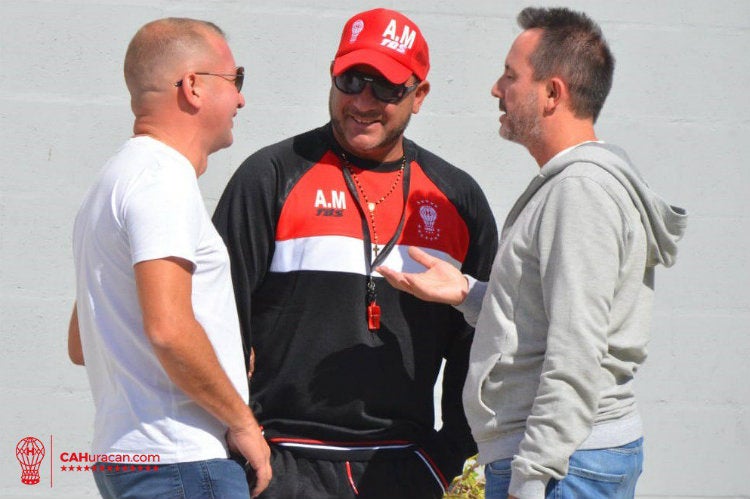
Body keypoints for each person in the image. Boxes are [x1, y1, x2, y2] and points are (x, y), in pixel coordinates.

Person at [378, 7, 688, 499]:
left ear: (552, 93)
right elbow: (548, 317)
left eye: (510, 75)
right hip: (566, 460)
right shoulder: (570, 186)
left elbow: (577, 350)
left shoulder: (579, 193)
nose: (496, 89)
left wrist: (531, 477)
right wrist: (469, 293)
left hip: (562, 467)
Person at [212, 8, 498, 499]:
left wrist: (447, 457)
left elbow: (482, 339)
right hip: (282, 463)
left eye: (386, 88)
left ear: (419, 95)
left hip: (404, 468)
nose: (363, 101)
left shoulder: (455, 198)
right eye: (351, 79)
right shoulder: (271, 176)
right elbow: (215, 318)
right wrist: (244, 445)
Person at [68, 17, 271, 499]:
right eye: (235, 79)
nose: (241, 98)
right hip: (181, 462)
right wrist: (244, 424)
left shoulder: (109, 184)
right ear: (194, 86)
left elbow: (82, 343)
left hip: (130, 458)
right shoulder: (163, 181)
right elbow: (169, 328)